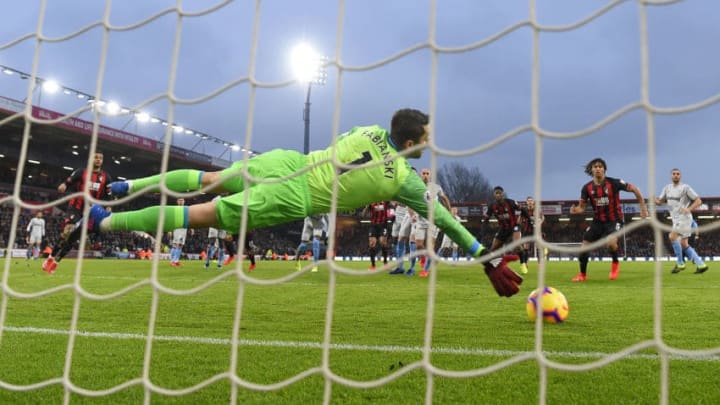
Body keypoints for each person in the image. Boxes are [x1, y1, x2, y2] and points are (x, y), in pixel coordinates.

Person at [92, 108, 522, 297]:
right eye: (425, 138)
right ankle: (105, 224)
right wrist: (484, 256)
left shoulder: (369, 129)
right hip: (294, 194)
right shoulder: (403, 180)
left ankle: (127, 185)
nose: (429, 143)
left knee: (208, 179)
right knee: (202, 212)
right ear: (409, 142)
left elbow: (339, 143)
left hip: (287, 160)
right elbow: (444, 219)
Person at [569, 158, 648, 282]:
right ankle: (582, 275)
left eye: (600, 166)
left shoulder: (614, 183)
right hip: (597, 222)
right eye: (595, 167)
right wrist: (575, 210)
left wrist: (643, 208)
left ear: (604, 169)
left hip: (614, 220)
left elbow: (635, 189)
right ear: (592, 170)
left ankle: (615, 264)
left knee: (610, 243)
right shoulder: (587, 188)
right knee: (584, 247)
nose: (598, 169)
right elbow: (582, 208)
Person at [42, 151, 113, 274]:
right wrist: (64, 185)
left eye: (100, 158)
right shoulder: (81, 172)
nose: (98, 160)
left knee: (75, 237)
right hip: (77, 206)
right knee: (67, 231)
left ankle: (57, 261)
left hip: (92, 210)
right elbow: (69, 181)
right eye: (96, 157)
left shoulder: (106, 177)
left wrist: (108, 206)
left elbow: (109, 194)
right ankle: (50, 257)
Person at [655, 168, 708, 274]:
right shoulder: (667, 188)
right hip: (676, 219)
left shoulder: (685, 188)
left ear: (680, 176)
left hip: (684, 218)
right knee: (684, 244)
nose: (676, 175)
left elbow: (698, 201)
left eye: (678, 174)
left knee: (672, 236)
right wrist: (655, 201)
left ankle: (680, 263)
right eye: (674, 174)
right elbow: (660, 201)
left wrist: (688, 209)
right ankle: (701, 264)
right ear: (671, 176)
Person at [482, 186, 525, 274]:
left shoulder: (510, 202)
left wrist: (527, 219)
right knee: (493, 249)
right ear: (494, 195)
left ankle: (523, 263)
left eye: (499, 193)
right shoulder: (492, 206)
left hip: (514, 227)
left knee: (517, 245)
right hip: (503, 229)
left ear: (502, 194)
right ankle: (497, 266)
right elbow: (486, 219)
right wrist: (482, 231)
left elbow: (522, 209)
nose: (498, 195)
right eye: (496, 193)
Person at [362, 201, 391, 271]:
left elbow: (391, 200)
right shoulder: (371, 202)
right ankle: (373, 265)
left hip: (383, 225)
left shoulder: (385, 201)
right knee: (372, 244)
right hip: (373, 225)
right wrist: (366, 207)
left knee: (383, 242)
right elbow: (364, 215)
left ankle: (385, 262)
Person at [519, 196, 544, 273]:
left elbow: (542, 217)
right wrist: (521, 225)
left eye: (531, 201)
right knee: (526, 247)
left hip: (536, 231)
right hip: (527, 231)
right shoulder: (524, 210)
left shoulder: (537, 210)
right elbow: (519, 219)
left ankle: (540, 264)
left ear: (533, 202)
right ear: (526, 202)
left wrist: (540, 222)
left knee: (538, 246)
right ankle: (525, 264)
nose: (530, 202)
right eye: (528, 201)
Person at [168, 198, 188, 267]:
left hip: (184, 229)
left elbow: (188, 219)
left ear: (184, 201)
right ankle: (172, 261)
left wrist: (191, 228)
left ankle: (176, 261)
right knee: (176, 244)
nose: (181, 201)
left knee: (180, 245)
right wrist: (170, 230)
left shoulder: (186, 209)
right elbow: (171, 220)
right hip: (177, 228)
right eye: (179, 200)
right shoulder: (174, 209)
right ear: (177, 201)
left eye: (182, 200)